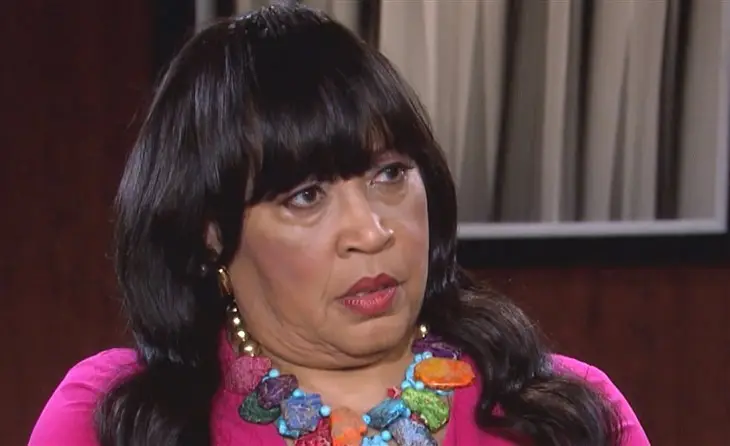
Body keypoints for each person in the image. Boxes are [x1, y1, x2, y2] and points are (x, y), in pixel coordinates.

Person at [29, 5, 649, 446]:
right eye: (306, 196)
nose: (372, 232)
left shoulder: (564, 412)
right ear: (211, 231)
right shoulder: (114, 420)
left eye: (390, 174)